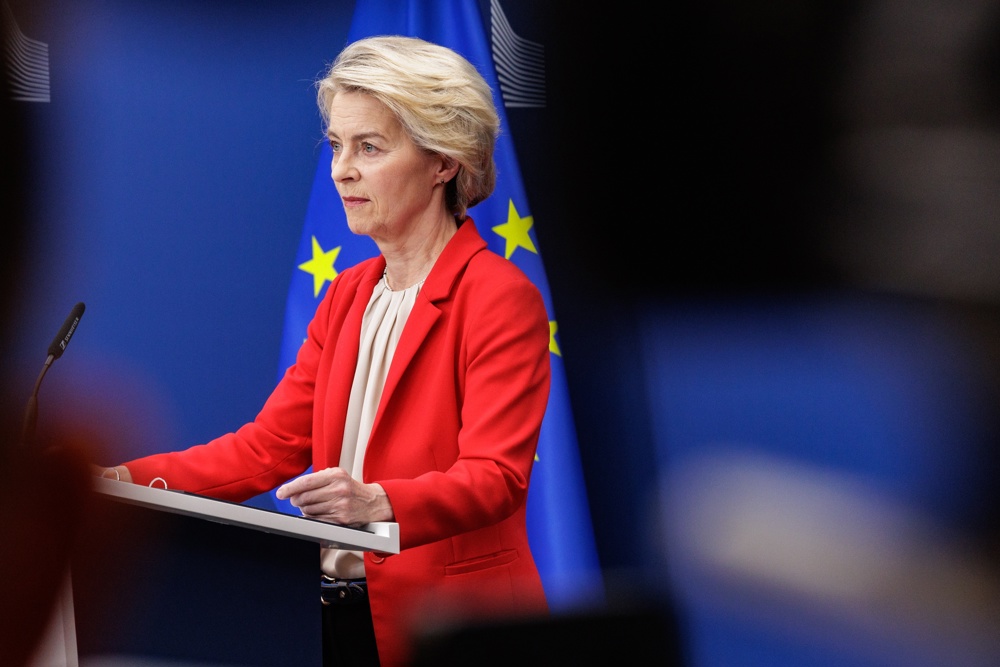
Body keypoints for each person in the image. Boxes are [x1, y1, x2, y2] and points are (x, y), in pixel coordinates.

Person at [94, 35, 552, 667]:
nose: (341, 170)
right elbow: (265, 451)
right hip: (332, 622)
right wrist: (116, 483)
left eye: (370, 147)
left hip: (452, 628)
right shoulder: (347, 295)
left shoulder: (498, 296)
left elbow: (497, 476)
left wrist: (378, 502)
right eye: (336, 145)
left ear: (443, 161)